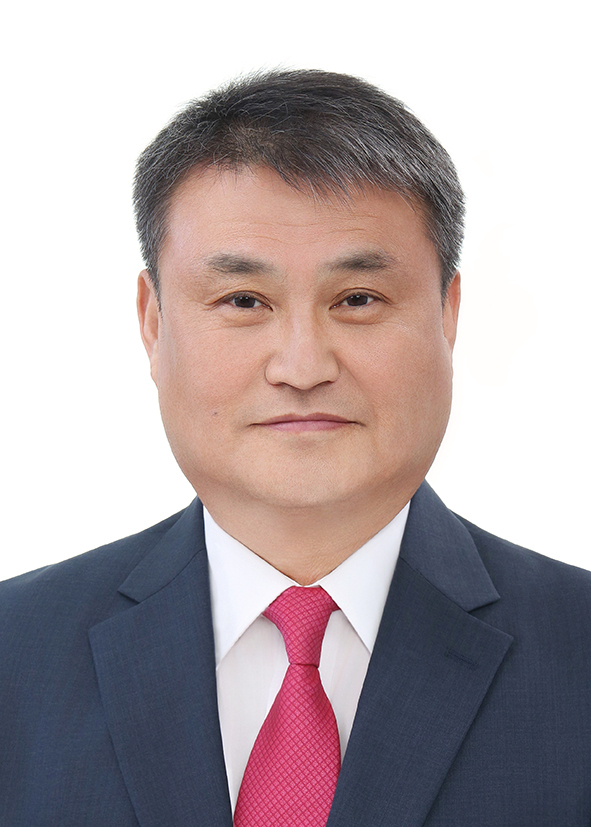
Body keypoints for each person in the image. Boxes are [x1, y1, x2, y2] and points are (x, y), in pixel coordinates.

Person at [1, 69, 590, 827]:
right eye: (244, 301)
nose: (303, 367)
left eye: (358, 299)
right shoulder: (15, 655)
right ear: (152, 322)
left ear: (448, 312)